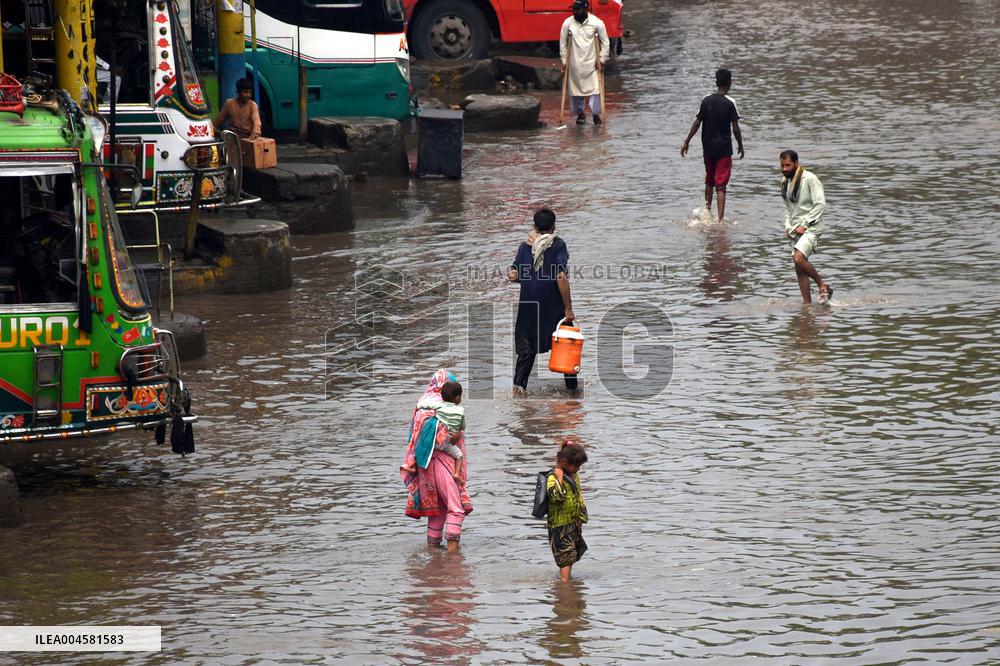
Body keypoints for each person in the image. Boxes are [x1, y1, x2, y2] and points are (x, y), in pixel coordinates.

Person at [401, 370, 473, 552]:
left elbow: (415, 436)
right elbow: (443, 438)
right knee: (456, 508)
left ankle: (434, 558)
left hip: (424, 466)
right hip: (443, 462)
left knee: (438, 508)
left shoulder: (422, 406)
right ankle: (453, 557)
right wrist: (452, 435)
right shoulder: (441, 407)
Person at [508, 208, 578, 395]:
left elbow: (514, 275)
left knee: (526, 350)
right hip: (553, 307)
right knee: (566, 344)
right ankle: (572, 393)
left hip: (529, 307)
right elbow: (561, 277)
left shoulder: (525, 246)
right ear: (554, 225)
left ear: (535, 226)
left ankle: (518, 390)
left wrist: (521, 275)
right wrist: (568, 308)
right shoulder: (557, 245)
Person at [680, 68, 745, 223]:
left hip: (707, 148)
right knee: (721, 186)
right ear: (729, 83)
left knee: (709, 181)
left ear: (716, 82)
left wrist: (687, 142)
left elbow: (697, 123)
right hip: (723, 150)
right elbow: (735, 128)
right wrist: (740, 145)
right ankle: (720, 220)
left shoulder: (706, 100)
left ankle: (707, 213)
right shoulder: (730, 103)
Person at [780, 149, 832, 303]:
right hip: (795, 229)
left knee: (798, 258)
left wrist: (805, 224)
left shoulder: (810, 178)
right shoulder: (784, 182)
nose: (785, 169)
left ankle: (823, 285)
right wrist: (788, 226)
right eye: (782, 166)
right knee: (799, 269)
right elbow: (788, 208)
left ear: (796, 163)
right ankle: (807, 306)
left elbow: (820, 204)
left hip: (811, 226)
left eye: (788, 165)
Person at [560, 0, 610, 125]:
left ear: (585, 9)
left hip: (592, 63)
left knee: (595, 90)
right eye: (574, 9)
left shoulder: (597, 23)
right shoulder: (568, 24)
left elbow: (605, 43)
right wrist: (564, 61)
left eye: (578, 9)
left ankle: (595, 114)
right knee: (576, 92)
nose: (575, 12)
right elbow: (563, 44)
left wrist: (602, 60)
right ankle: (581, 113)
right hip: (575, 63)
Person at [547, 440, 589, 582]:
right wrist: (559, 479)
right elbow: (556, 497)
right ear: (564, 463)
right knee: (565, 556)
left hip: (573, 522)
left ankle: (566, 580)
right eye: (576, 465)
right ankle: (565, 585)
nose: (577, 469)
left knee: (571, 555)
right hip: (560, 525)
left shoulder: (573, 475)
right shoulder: (552, 478)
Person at [414, 379, 466, 482]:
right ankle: (457, 474)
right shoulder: (460, 411)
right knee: (459, 455)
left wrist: (418, 405)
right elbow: (463, 426)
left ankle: (413, 463)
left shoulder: (439, 405)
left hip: (435, 440)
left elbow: (423, 405)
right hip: (447, 442)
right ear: (457, 398)